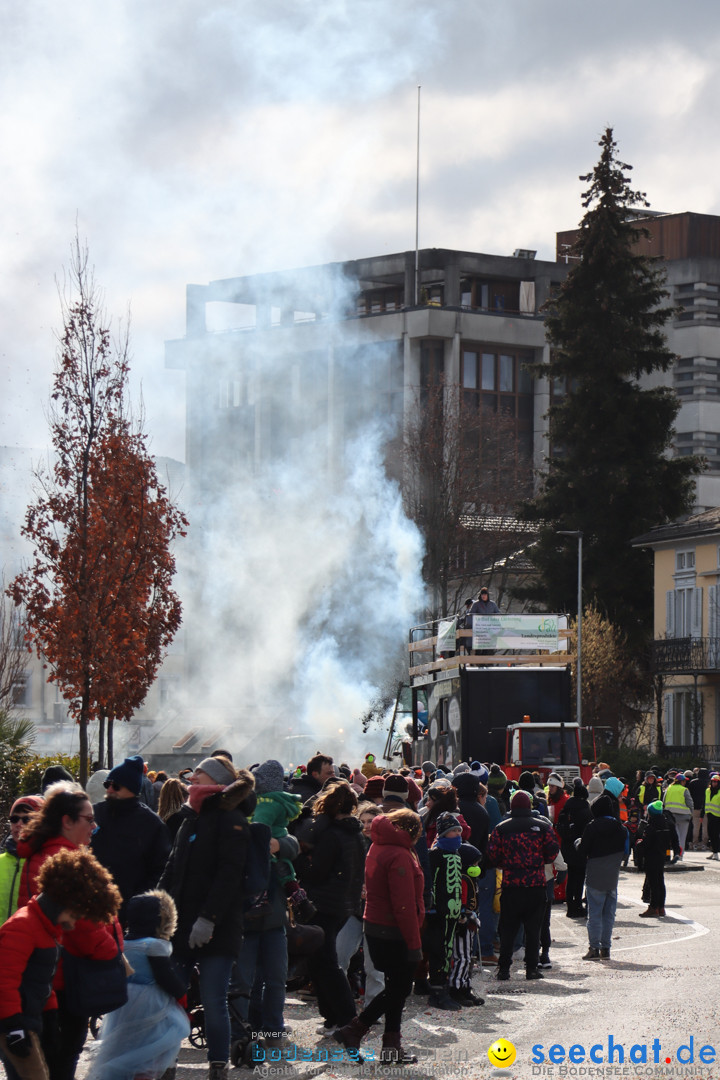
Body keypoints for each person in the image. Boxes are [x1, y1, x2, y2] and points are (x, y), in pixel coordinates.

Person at [16, 782, 125, 1080]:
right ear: (67, 821)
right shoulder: (62, 860)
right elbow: (79, 925)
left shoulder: (45, 852)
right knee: (61, 1061)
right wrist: (112, 952)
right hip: (64, 979)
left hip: (55, 976)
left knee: (55, 1059)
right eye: (89, 819)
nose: (95, 825)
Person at [159, 756, 253, 1080]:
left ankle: (217, 1066)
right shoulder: (190, 818)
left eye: (198, 772)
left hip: (218, 927)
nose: (192, 777)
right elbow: (173, 867)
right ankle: (168, 1061)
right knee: (173, 997)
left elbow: (230, 874)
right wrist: (158, 904)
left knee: (214, 1000)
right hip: (180, 923)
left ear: (213, 779)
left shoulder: (230, 818)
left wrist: (209, 918)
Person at [0, 847, 121, 1080]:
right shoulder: (23, 927)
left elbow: (43, 980)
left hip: (28, 1021)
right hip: (14, 1024)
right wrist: (14, 1027)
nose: (76, 922)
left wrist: (51, 1014)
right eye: (77, 913)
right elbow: (4, 980)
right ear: (65, 900)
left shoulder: (47, 930)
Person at [334, 809, 424, 1065]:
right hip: (394, 931)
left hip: (376, 925)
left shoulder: (379, 845)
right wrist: (414, 943)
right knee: (400, 988)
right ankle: (354, 1029)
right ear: (411, 830)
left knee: (394, 986)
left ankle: (391, 1047)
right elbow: (403, 905)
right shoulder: (399, 853)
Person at [87, 890, 190, 1080]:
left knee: (126, 1044)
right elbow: (164, 976)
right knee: (149, 1048)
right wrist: (181, 993)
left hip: (123, 1000)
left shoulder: (123, 943)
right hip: (150, 1000)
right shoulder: (154, 946)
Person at [300, 781, 365, 1038]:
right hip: (344, 903)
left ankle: (346, 1018)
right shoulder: (355, 832)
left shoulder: (331, 835)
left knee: (325, 962)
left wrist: (300, 864)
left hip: (324, 903)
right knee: (321, 961)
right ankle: (332, 1017)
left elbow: (317, 873)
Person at [485, 789, 560, 981]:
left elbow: (492, 856)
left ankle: (503, 969)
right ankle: (532, 969)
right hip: (536, 884)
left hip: (511, 885)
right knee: (533, 930)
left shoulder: (501, 828)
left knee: (508, 929)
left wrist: (507, 863)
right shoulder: (542, 827)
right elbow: (552, 853)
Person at [90, 756, 171, 922]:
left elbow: (160, 870)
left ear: (132, 790)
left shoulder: (152, 824)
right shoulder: (94, 814)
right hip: (90, 905)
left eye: (116, 786)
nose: (110, 789)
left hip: (127, 910)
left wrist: (137, 902)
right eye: (107, 784)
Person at [576, 793, 628, 959]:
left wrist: (577, 843)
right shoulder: (621, 828)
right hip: (612, 875)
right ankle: (606, 948)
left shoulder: (592, 826)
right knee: (609, 914)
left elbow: (583, 850)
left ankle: (594, 948)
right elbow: (626, 853)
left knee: (594, 914)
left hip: (594, 874)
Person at [0, 797, 44, 927]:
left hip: (33, 944)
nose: (19, 824)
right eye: (14, 819)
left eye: (27, 819)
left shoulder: (47, 863)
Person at [556, 779, 593, 918]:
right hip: (579, 848)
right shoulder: (585, 811)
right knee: (579, 878)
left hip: (566, 847)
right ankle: (577, 905)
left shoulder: (566, 809)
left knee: (570, 878)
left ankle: (570, 906)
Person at [635, 801, 678, 917]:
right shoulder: (666, 824)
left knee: (653, 883)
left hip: (651, 856)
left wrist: (640, 844)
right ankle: (661, 907)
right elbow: (673, 839)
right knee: (660, 882)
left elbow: (647, 843)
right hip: (661, 855)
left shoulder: (651, 826)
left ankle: (653, 907)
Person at [662, 773, 693, 858]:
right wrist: (691, 814)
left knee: (675, 836)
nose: (685, 783)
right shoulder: (684, 790)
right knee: (682, 837)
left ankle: (675, 853)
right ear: (682, 781)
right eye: (684, 781)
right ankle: (680, 855)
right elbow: (690, 803)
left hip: (671, 816)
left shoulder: (668, 789)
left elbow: (663, 802)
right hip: (684, 817)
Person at [705, 773, 720, 860]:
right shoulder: (708, 791)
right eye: (713, 781)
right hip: (709, 815)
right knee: (710, 834)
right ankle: (714, 851)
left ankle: (716, 852)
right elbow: (705, 801)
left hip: (718, 816)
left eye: (716, 782)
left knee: (715, 835)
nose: (714, 783)